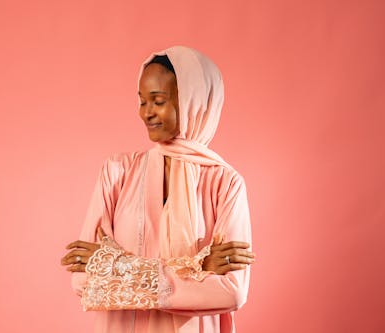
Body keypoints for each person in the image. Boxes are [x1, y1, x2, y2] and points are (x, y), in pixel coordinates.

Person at [61, 45, 255, 333]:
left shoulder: (225, 184)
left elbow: (231, 291)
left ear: (194, 102)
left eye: (158, 101)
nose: (146, 113)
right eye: (142, 101)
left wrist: (114, 267)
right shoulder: (118, 172)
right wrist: (196, 268)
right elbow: (84, 280)